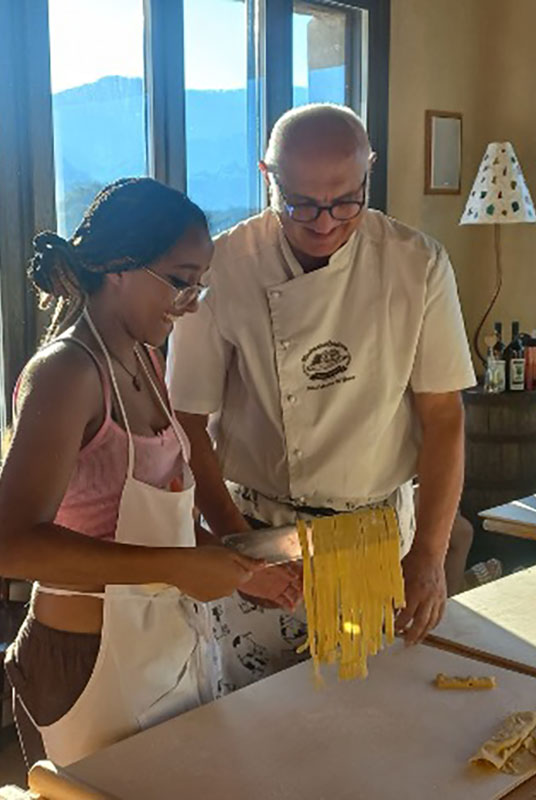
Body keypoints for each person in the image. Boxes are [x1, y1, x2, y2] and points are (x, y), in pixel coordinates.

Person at [167, 104, 476, 691]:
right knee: (259, 729)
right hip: (258, 527)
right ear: (267, 176)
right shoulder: (224, 268)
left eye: (345, 201)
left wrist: (430, 556)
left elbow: (442, 417)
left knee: (374, 712)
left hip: (379, 536)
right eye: (301, 203)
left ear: (369, 173)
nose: (325, 222)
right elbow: (187, 421)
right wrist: (239, 553)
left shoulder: (417, 264)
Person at [0, 178, 264, 767]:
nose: (190, 302)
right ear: (117, 266)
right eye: (180, 280)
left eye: (199, 286)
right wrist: (180, 566)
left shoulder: (143, 357)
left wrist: (234, 565)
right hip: (82, 655)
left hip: (158, 641)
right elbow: (12, 548)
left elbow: (153, 522)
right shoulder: (68, 373)